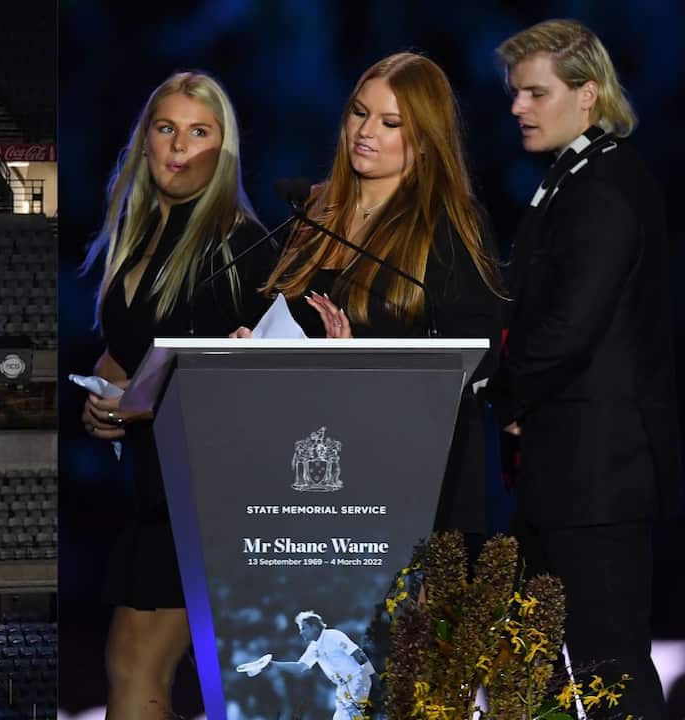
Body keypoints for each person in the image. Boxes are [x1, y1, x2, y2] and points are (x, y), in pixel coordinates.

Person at [484, 20, 679, 720]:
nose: (517, 108)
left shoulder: (604, 187)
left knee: (608, 669)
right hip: (565, 476)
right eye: (515, 93)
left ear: (587, 94)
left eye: (535, 93)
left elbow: (568, 328)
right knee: (539, 668)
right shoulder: (576, 178)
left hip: (598, 480)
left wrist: (492, 388)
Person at [237, 52, 505, 541]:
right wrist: (248, 348)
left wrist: (357, 363)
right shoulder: (315, 211)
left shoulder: (448, 227)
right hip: (300, 475)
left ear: (424, 140)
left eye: (390, 122)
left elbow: (476, 362)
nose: (365, 131)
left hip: (405, 482)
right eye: (359, 112)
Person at [79, 71, 276, 719]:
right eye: (166, 128)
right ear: (145, 140)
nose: (179, 146)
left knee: (140, 672)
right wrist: (104, 392)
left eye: (200, 132)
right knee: (135, 670)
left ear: (224, 149)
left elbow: (267, 360)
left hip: (210, 493)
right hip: (153, 485)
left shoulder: (239, 245)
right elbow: (132, 348)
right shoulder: (135, 235)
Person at [236, 611, 376, 720]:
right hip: (342, 688)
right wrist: (273, 664)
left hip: (357, 681)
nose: (300, 632)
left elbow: (358, 654)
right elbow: (300, 667)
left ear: (314, 627)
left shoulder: (333, 635)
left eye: (304, 628)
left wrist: (374, 676)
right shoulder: (313, 647)